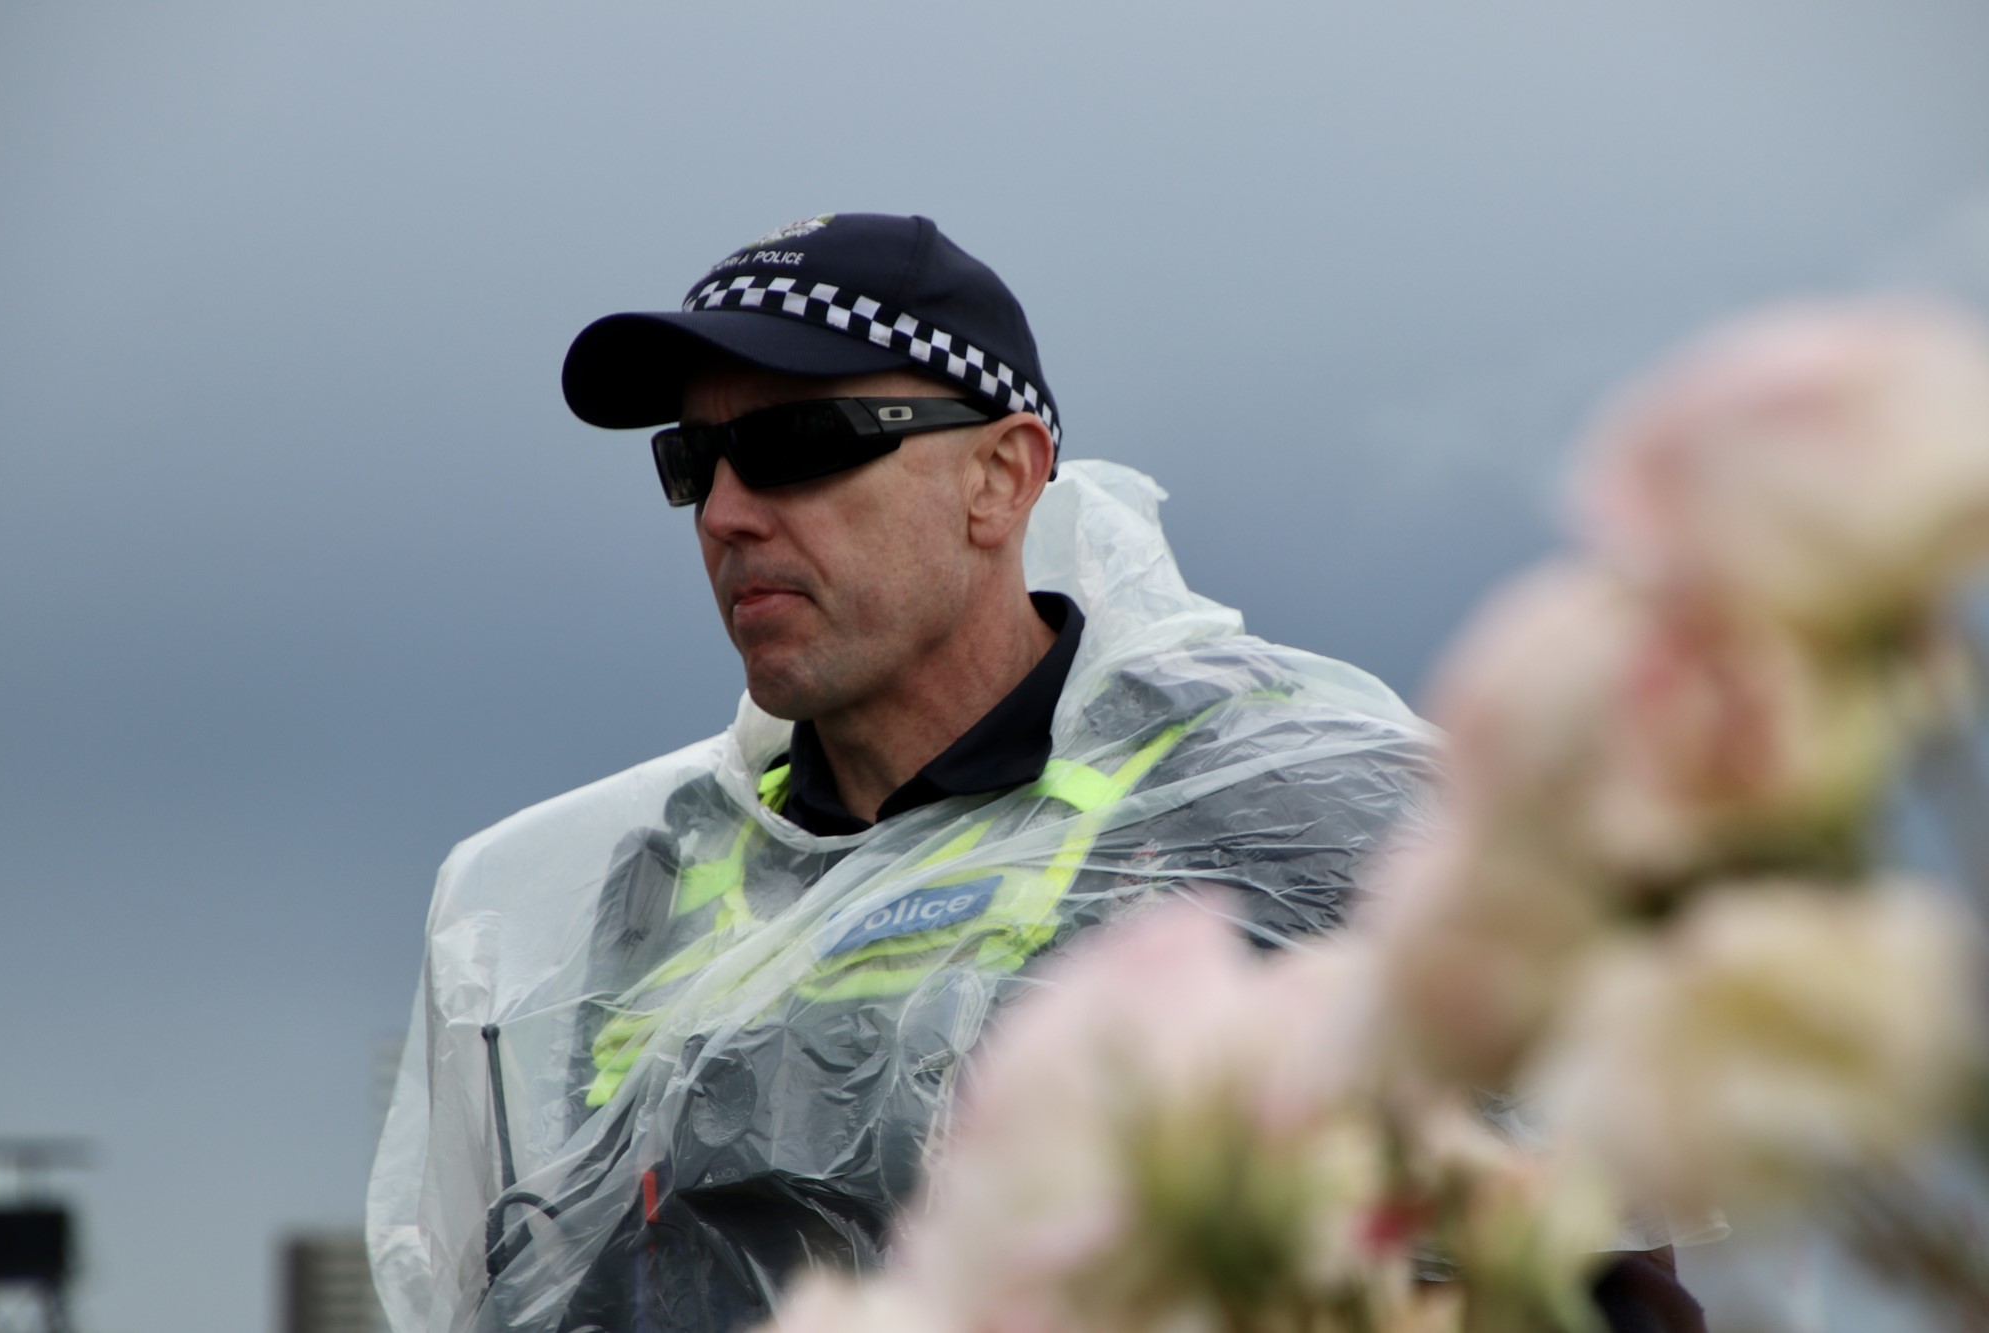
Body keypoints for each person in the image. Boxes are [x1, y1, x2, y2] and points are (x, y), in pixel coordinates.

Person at [366, 213, 1697, 1333]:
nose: (725, 513)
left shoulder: (1273, 809)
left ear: (1001, 479)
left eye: (795, 448)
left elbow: (1579, 1260)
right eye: (691, 462)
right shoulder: (651, 888)